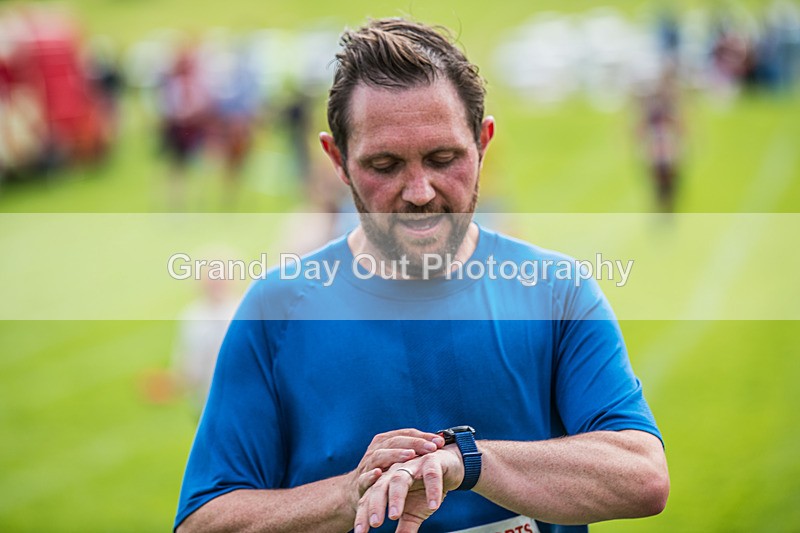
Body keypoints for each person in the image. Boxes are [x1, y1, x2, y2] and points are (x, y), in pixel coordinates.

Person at [174, 18, 669, 533]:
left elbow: (642, 475)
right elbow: (203, 522)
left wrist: (467, 463)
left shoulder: (556, 292)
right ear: (337, 161)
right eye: (385, 165)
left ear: (483, 143)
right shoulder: (276, 311)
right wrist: (349, 496)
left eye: (443, 158)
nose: (419, 192)